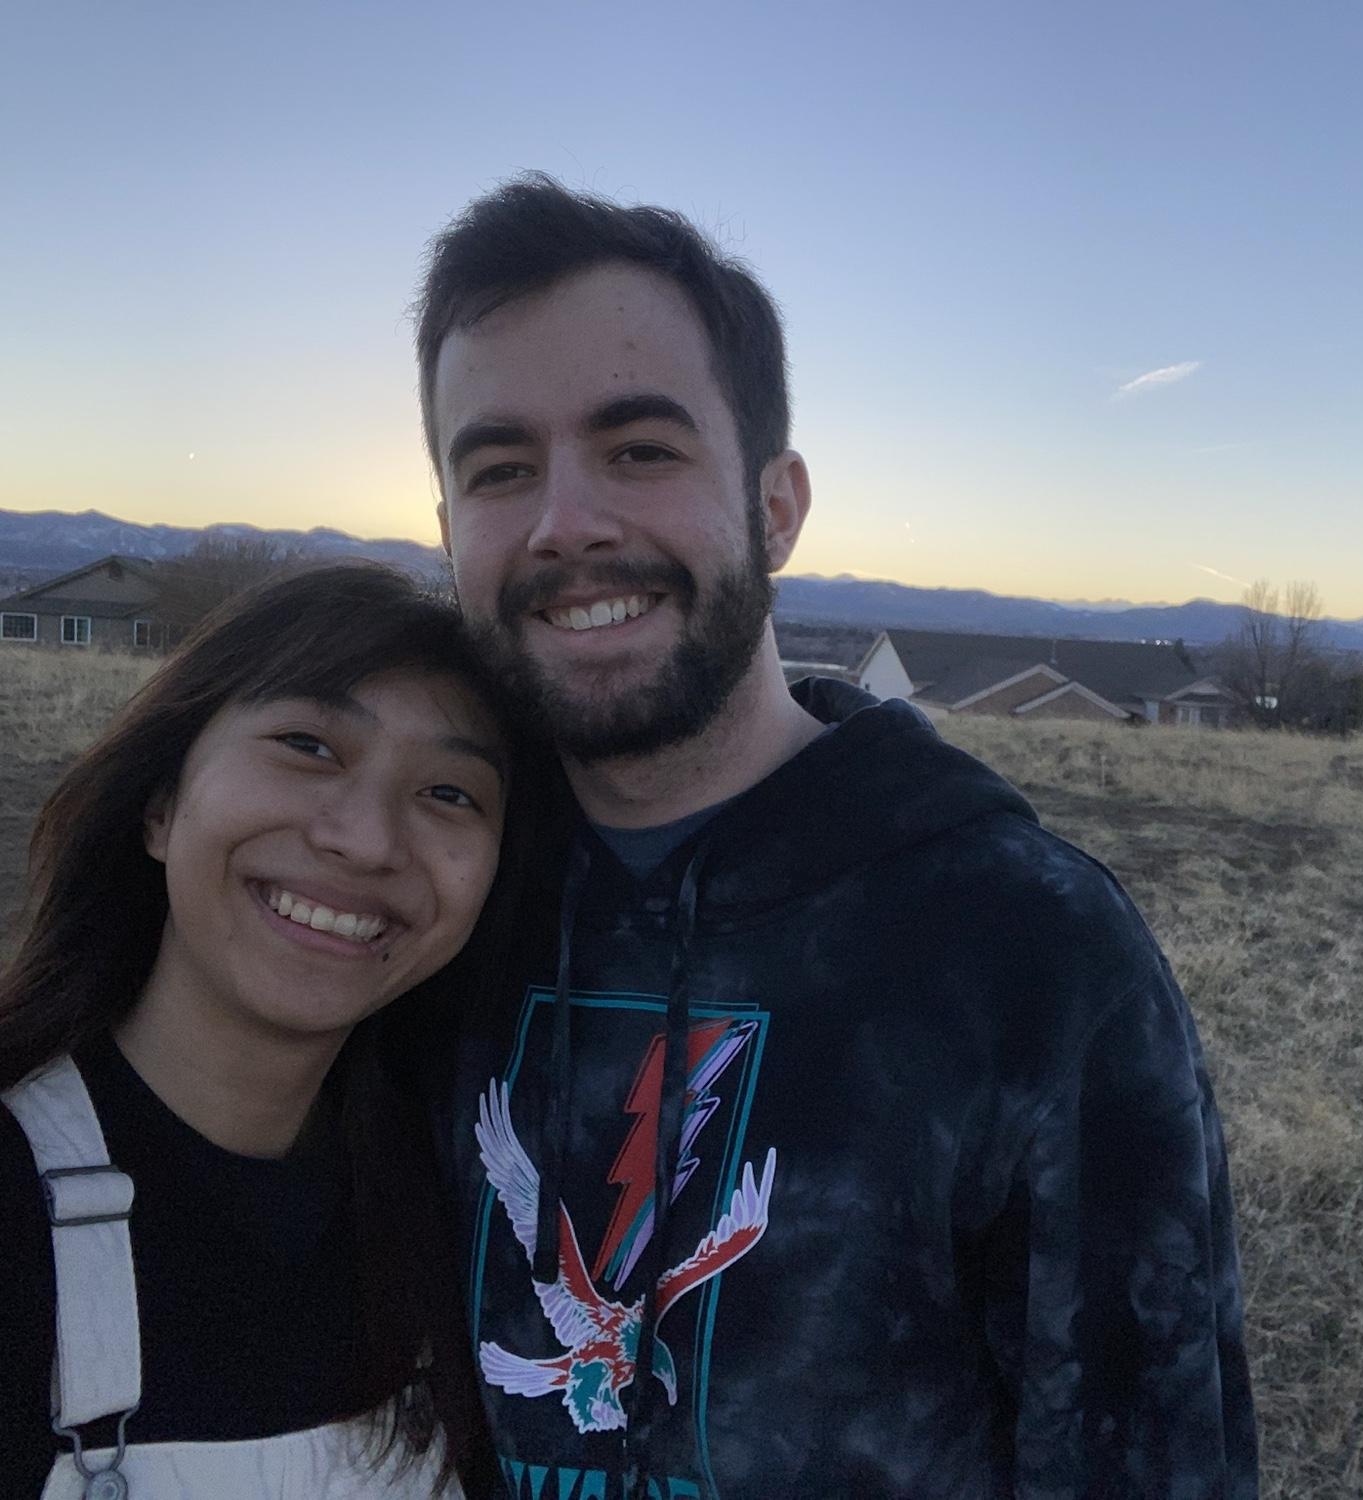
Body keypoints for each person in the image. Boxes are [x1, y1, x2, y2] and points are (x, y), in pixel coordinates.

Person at [416, 176, 1259, 1499]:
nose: (566, 523)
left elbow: (1140, 1459)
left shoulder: (1024, 955)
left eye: (641, 450)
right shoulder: (429, 906)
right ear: (451, 530)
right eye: (500, 469)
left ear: (777, 506)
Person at [0, 565, 510, 1499]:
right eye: (308, 744)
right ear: (160, 805)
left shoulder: (471, 1218)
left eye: (450, 794)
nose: (365, 840)